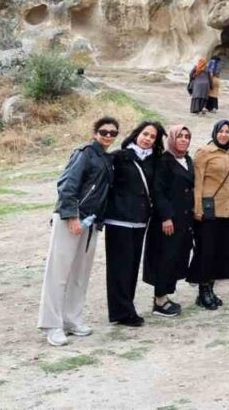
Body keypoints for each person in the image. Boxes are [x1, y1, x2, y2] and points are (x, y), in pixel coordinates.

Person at [38, 116, 117, 347]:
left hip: (91, 222)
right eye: (104, 132)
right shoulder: (84, 153)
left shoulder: (106, 158)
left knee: (80, 274)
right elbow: (66, 185)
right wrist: (72, 215)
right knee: (58, 273)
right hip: (72, 220)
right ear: (95, 132)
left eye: (113, 133)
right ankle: (52, 324)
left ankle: (71, 319)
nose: (108, 136)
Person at [104, 120, 161, 327]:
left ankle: (126, 307)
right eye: (145, 134)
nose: (148, 139)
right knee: (119, 268)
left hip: (139, 221)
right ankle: (122, 312)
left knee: (132, 267)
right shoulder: (120, 157)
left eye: (153, 137)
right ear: (137, 134)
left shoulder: (153, 160)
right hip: (119, 219)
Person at [144, 124, 194, 318]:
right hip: (168, 221)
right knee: (164, 258)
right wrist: (165, 217)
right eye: (179, 136)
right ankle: (159, 301)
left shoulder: (187, 160)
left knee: (176, 256)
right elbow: (158, 191)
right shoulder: (164, 161)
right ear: (172, 139)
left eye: (187, 136)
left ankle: (165, 296)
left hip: (184, 219)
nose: (183, 139)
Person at [188, 120, 229, 310]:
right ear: (215, 132)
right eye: (221, 131)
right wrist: (198, 208)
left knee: (219, 252)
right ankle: (203, 291)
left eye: (228, 132)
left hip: (227, 211)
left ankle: (210, 288)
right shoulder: (204, 152)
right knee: (206, 251)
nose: (224, 135)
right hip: (209, 211)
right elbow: (198, 181)